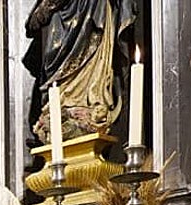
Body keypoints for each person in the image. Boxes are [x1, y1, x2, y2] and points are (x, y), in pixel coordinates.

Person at [22, 0, 138, 150]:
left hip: (94, 10)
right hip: (63, 19)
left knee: (93, 56)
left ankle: (91, 103)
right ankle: (63, 108)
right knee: (56, 65)